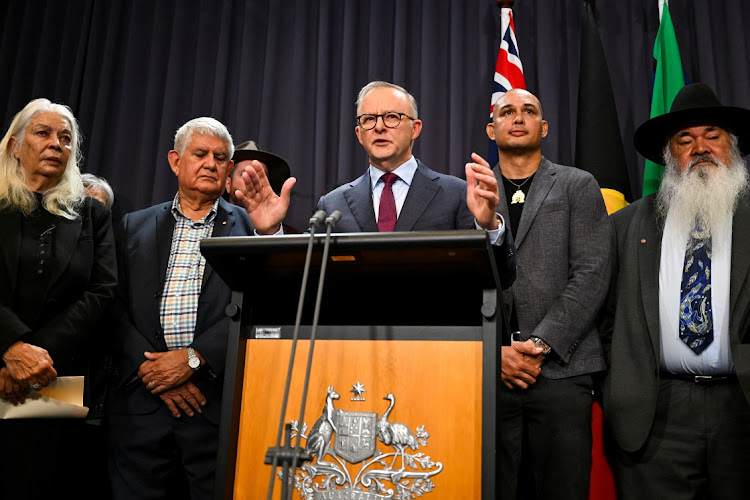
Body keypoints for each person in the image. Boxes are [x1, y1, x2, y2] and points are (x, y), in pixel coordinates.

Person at [600, 83, 750, 499]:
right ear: (670, 156)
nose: (700, 147)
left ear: (732, 147)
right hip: (654, 413)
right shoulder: (625, 226)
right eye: (685, 140)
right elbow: (605, 317)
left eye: (712, 136)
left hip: (742, 405)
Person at [235, 80, 515, 286]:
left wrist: (488, 228)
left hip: (436, 348)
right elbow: (305, 284)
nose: (379, 126)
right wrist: (271, 233)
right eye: (369, 119)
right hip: (354, 348)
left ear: (415, 128)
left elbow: (499, 280)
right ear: (359, 133)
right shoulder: (332, 205)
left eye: (392, 117)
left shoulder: (455, 194)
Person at [107, 117, 255, 499]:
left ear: (228, 169)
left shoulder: (246, 227)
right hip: (140, 406)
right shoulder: (132, 226)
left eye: (221, 157)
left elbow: (254, 303)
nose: (210, 163)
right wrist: (152, 370)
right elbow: (111, 304)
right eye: (200, 154)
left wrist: (192, 360)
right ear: (175, 161)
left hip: (211, 406)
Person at [481, 88, 610, 499]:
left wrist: (539, 343)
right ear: (491, 128)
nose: (518, 118)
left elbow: (592, 273)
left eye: (528, 111)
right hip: (490, 374)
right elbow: (460, 278)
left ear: (544, 126)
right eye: (507, 112)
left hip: (561, 372)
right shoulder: (471, 191)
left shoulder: (578, 184)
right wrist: (494, 350)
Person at [0, 98, 117, 499]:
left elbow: (103, 292)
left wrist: (33, 357)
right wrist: (9, 348)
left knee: (39, 482)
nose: (56, 144)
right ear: (15, 145)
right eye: (43, 133)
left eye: (65, 138)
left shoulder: (90, 215)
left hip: (55, 376)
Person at [226, 140, 289, 205]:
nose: (254, 181)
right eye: (246, 174)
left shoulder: (275, 215)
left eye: (261, 176)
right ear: (228, 184)